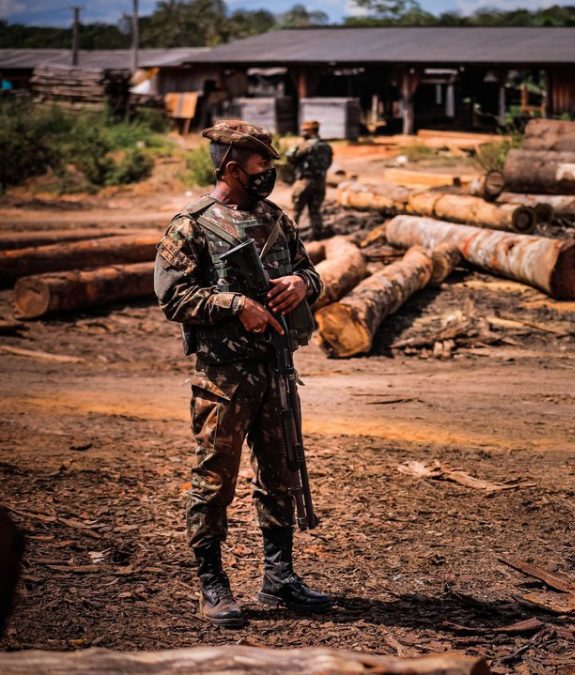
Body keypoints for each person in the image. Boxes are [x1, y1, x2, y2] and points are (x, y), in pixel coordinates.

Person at [154, 119, 331, 628]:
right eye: (262, 166)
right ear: (233, 168)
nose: (270, 174)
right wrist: (235, 304)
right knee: (215, 481)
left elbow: (310, 271)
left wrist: (301, 282)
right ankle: (212, 583)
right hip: (224, 379)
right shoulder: (192, 223)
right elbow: (173, 296)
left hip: (276, 369)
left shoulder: (276, 218)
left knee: (281, 476)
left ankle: (280, 577)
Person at [287, 119, 334, 240]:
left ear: (312, 130)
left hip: (304, 182)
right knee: (315, 211)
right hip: (320, 182)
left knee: (296, 212)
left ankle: (291, 238)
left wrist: (298, 144)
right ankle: (317, 237)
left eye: (305, 130)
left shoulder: (306, 145)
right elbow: (329, 163)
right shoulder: (326, 146)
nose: (303, 132)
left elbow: (290, 157)